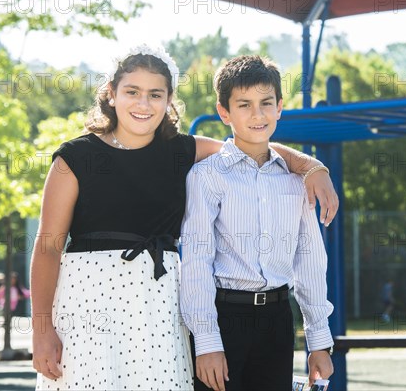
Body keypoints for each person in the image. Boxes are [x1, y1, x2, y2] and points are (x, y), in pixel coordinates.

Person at [30, 45, 338, 390]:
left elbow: (249, 145)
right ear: (111, 94)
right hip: (87, 304)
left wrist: (311, 167)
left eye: (155, 94)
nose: (143, 104)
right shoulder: (75, 157)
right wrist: (42, 329)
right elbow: (47, 248)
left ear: (169, 100)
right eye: (132, 92)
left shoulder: (183, 150)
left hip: (160, 308)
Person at [180, 55, 334, 391]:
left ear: (279, 107)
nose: (257, 114)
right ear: (224, 113)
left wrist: (319, 341)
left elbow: (309, 261)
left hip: (278, 320)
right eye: (244, 105)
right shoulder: (206, 176)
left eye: (266, 103)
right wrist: (207, 342)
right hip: (224, 318)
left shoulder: (297, 180)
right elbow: (196, 261)